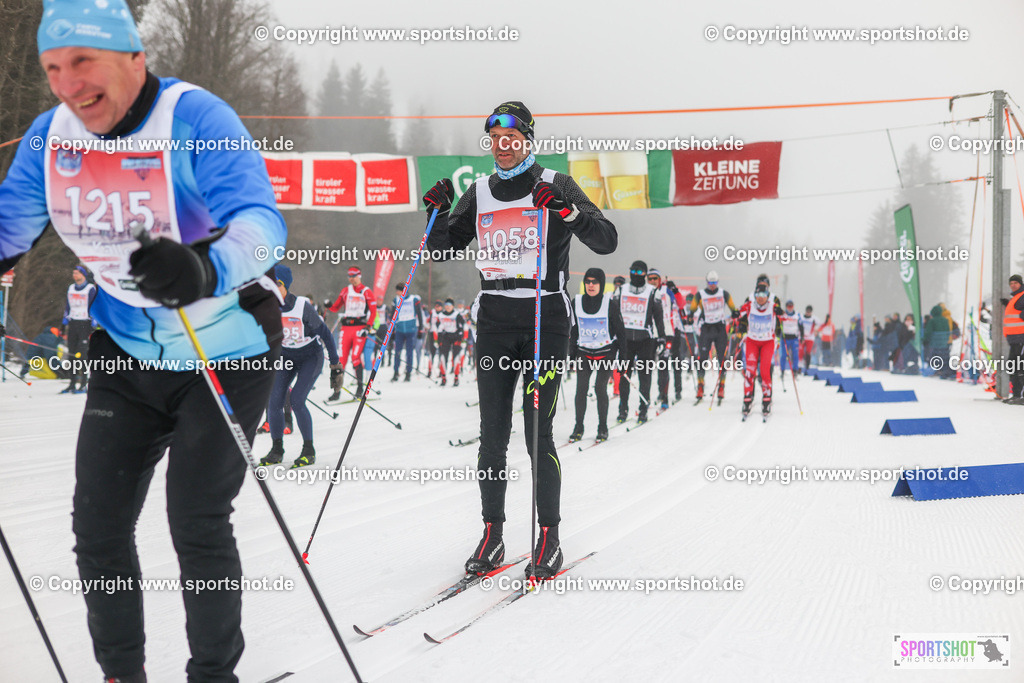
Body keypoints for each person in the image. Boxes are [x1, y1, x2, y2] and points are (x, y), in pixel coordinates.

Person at [0, 3, 287, 680]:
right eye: (52, 69)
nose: (68, 84)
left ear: (134, 57)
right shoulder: (51, 138)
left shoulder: (196, 119)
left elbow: (262, 222)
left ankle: (214, 674)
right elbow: (9, 227)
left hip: (227, 351)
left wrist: (204, 265)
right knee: (97, 528)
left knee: (197, 520)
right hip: (128, 356)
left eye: (82, 62)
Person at [422, 100, 616, 579]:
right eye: (495, 140)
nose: (503, 148)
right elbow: (441, 249)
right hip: (494, 319)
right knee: (492, 435)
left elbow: (607, 239)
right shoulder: (481, 190)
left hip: (544, 317)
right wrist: (433, 213)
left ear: (529, 141)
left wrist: (568, 212)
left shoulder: (554, 184)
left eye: (512, 140)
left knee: (536, 431)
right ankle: (492, 533)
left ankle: (548, 536)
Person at [260, 266, 340, 469]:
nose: (273, 289)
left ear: (285, 285)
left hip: (310, 357)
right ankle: (277, 449)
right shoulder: (268, 305)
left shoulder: (302, 306)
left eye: (277, 284)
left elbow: (325, 334)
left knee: (296, 400)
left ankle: (308, 450)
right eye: (270, 284)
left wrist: (335, 364)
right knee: (274, 401)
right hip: (286, 356)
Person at [569, 267, 623, 442]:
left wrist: (624, 358)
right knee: (581, 390)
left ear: (601, 284)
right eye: (588, 281)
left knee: (600, 388)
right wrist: (571, 356)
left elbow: (621, 332)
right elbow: (573, 331)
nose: (591, 285)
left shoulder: (610, 304)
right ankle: (578, 427)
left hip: (605, 354)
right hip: (584, 353)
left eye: (595, 282)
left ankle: (603, 427)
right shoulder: (576, 302)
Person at [613, 260, 665, 423]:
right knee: (624, 376)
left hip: (645, 340)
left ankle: (643, 409)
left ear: (645, 274)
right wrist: (612, 336)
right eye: (633, 272)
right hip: (625, 340)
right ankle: (623, 409)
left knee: (645, 375)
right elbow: (612, 315)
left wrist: (662, 337)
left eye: (639, 273)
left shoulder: (652, 292)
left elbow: (658, 317)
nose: (635, 275)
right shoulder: (621, 290)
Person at [326, 266, 376, 400]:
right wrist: (329, 305)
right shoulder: (345, 291)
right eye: (350, 276)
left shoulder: (366, 291)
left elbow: (373, 311)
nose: (352, 279)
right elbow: (336, 307)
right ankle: (336, 392)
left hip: (359, 328)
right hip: (346, 328)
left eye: (354, 276)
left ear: (359, 276)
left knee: (355, 357)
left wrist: (368, 327)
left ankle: (360, 388)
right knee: (340, 360)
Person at [689, 270, 738, 400]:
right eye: (710, 282)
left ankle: (721, 386)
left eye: (714, 282)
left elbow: (733, 307)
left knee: (722, 358)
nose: (712, 285)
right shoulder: (700, 294)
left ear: (718, 282)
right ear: (707, 282)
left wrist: (735, 313)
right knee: (703, 358)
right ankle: (700, 385)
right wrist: (689, 316)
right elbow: (692, 308)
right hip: (706, 328)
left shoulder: (724, 293)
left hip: (720, 329)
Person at [737, 283, 783, 418]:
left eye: (763, 295)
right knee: (750, 371)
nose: (760, 298)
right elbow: (738, 312)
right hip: (752, 341)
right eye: (758, 295)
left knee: (764, 371)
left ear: (768, 296)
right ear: (755, 296)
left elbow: (784, 316)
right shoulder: (750, 305)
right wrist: (735, 315)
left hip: (768, 342)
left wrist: (781, 314)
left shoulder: (773, 306)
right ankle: (747, 398)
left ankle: (766, 399)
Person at [61, 264, 97, 393]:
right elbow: (67, 307)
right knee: (71, 354)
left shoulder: (90, 289)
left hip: (85, 324)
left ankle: (83, 383)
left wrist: (93, 325)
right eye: (73, 273)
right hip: (73, 323)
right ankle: (72, 383)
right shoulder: (71, 288)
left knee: (82, 355)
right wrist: (63, 323)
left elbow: (94, 307)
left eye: (77, 273)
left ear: (83, 275)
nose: (74, 275)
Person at [647, 268, 677, 409]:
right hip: (650, 333)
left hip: (666, 333)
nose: (652, 281)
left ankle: (664, 397)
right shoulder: (645, 292)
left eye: (655, 278)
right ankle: (646, 397)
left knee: (663, 366)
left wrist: (675, 290)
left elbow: (680, 305)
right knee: (646, 366)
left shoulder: (667, 291)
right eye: (650, 278)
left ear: (659, 280)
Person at [389, 283, 423, 382]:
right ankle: (396, 372)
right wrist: (392, 330)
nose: (397, 293)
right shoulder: (396, 300)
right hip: (399, 330)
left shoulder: (414, 299)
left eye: (398, 291)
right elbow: (392, 315)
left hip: (411, 330)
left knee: (409, 353)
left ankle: (408, 373)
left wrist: (420, 328)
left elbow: (419, 314)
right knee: (397, 352)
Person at [1000, 274, 1024, 403]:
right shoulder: (1016, 297)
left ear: (1020, 284)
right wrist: (1008, 304)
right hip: (1014, 339)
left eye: (1015, 283)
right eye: (1011, 283)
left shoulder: (1022, 296)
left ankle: (1021, 396)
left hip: (1021, 338)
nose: (1013, 285)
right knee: (1013, 366)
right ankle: (1016, 395)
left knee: (1020, 367)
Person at [434, 297, 465, 386]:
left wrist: (461, 340)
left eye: (449, 305)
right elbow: (438, 328)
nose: (447, 307)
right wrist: (438, 340)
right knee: (443, 357)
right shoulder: (441, 315)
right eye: (446, 305)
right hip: (446, 337)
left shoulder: (457, 315)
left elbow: (461, 328)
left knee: (455, 358)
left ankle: (456, 378)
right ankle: (443, 378)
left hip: (455, 337)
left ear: (452, 306)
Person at [778, 300, 802, 377]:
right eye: (788, 306)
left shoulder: (797, 315)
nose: (790, 308)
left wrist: (802, 337)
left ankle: (795, 370)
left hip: (794, 338)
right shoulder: (783, 315)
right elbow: (778, 325)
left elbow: (801, 326)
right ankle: (782, 370)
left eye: (791, 306)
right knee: (784, 355)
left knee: (795, 355)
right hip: (785, 338)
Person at [798, 305, 819, 371]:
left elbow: (820, 325)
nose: (808, 313)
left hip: (810, 338)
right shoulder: (801, 317)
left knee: (808, 352)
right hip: (802, 337)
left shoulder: (814, 318)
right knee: (800, 352)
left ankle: (807, 366)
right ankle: (799, 367)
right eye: (807, 311)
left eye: (809, 312)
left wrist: (816, 331)